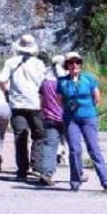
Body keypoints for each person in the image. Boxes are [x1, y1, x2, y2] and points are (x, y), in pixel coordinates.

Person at [56, 51, 107, 191]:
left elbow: (97, 98)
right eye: (71, 62)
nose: (74, 65)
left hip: (88, 117)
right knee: (75, 150)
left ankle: (105, 179)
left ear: (80, 64)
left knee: (94, 148)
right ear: (67, 66)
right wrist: (69, 109)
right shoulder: (62, 82)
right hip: (71, 119)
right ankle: (75, 181)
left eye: (77, 62)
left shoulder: (89, 79)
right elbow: (59, 101)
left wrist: (90, 110)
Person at [2, 34, 47, 180]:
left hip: (17, 104)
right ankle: (37, 166)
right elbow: (44, 84)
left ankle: (22, 170)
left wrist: (8, 93)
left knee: (20, 136)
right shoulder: (39, 64)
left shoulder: (10, 62)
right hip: (35, 104)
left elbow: (1, 80)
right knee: (39, 135)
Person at [36, 54, 67, 185]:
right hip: (66, 117)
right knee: (73, 145)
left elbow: (41, 100)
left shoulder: (45, 82)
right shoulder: (65, 81)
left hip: (49, 117)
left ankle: (46, 173)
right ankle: (78, 173)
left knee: (49, 146)